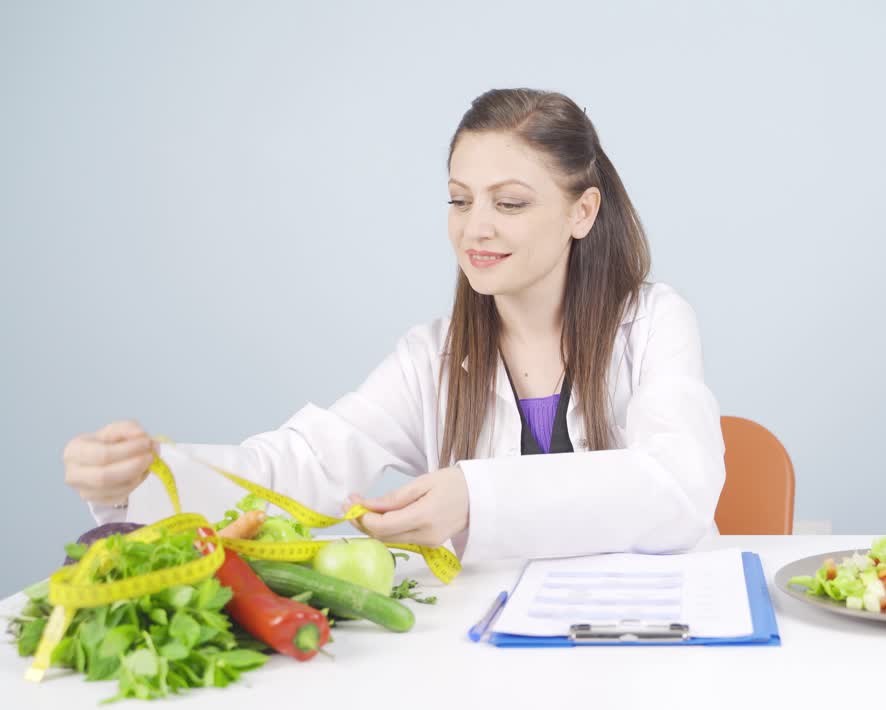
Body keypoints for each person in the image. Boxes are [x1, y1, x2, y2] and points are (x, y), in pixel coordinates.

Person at [61, 88, 725, 563]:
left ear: (582, 213)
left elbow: (677, 485)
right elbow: (301, 465)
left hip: (655, 640)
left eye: (510, 203)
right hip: (492, 655)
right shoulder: (432, 357)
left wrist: (475, 497)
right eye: (460, 200)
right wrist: (143, 475)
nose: (476, 227)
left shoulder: (653, 322)